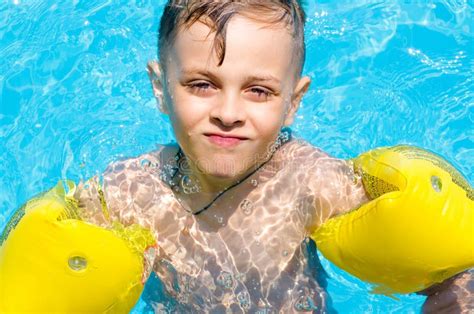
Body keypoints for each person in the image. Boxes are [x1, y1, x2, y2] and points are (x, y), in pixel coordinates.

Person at [75, 1, 472, 312]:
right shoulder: (133, 190)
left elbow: (445, 265)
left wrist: (458, 293)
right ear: (160, 87)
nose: (228, 113)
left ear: (294, 102)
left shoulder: (309, 183)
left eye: (259, 91)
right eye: (201, 84)